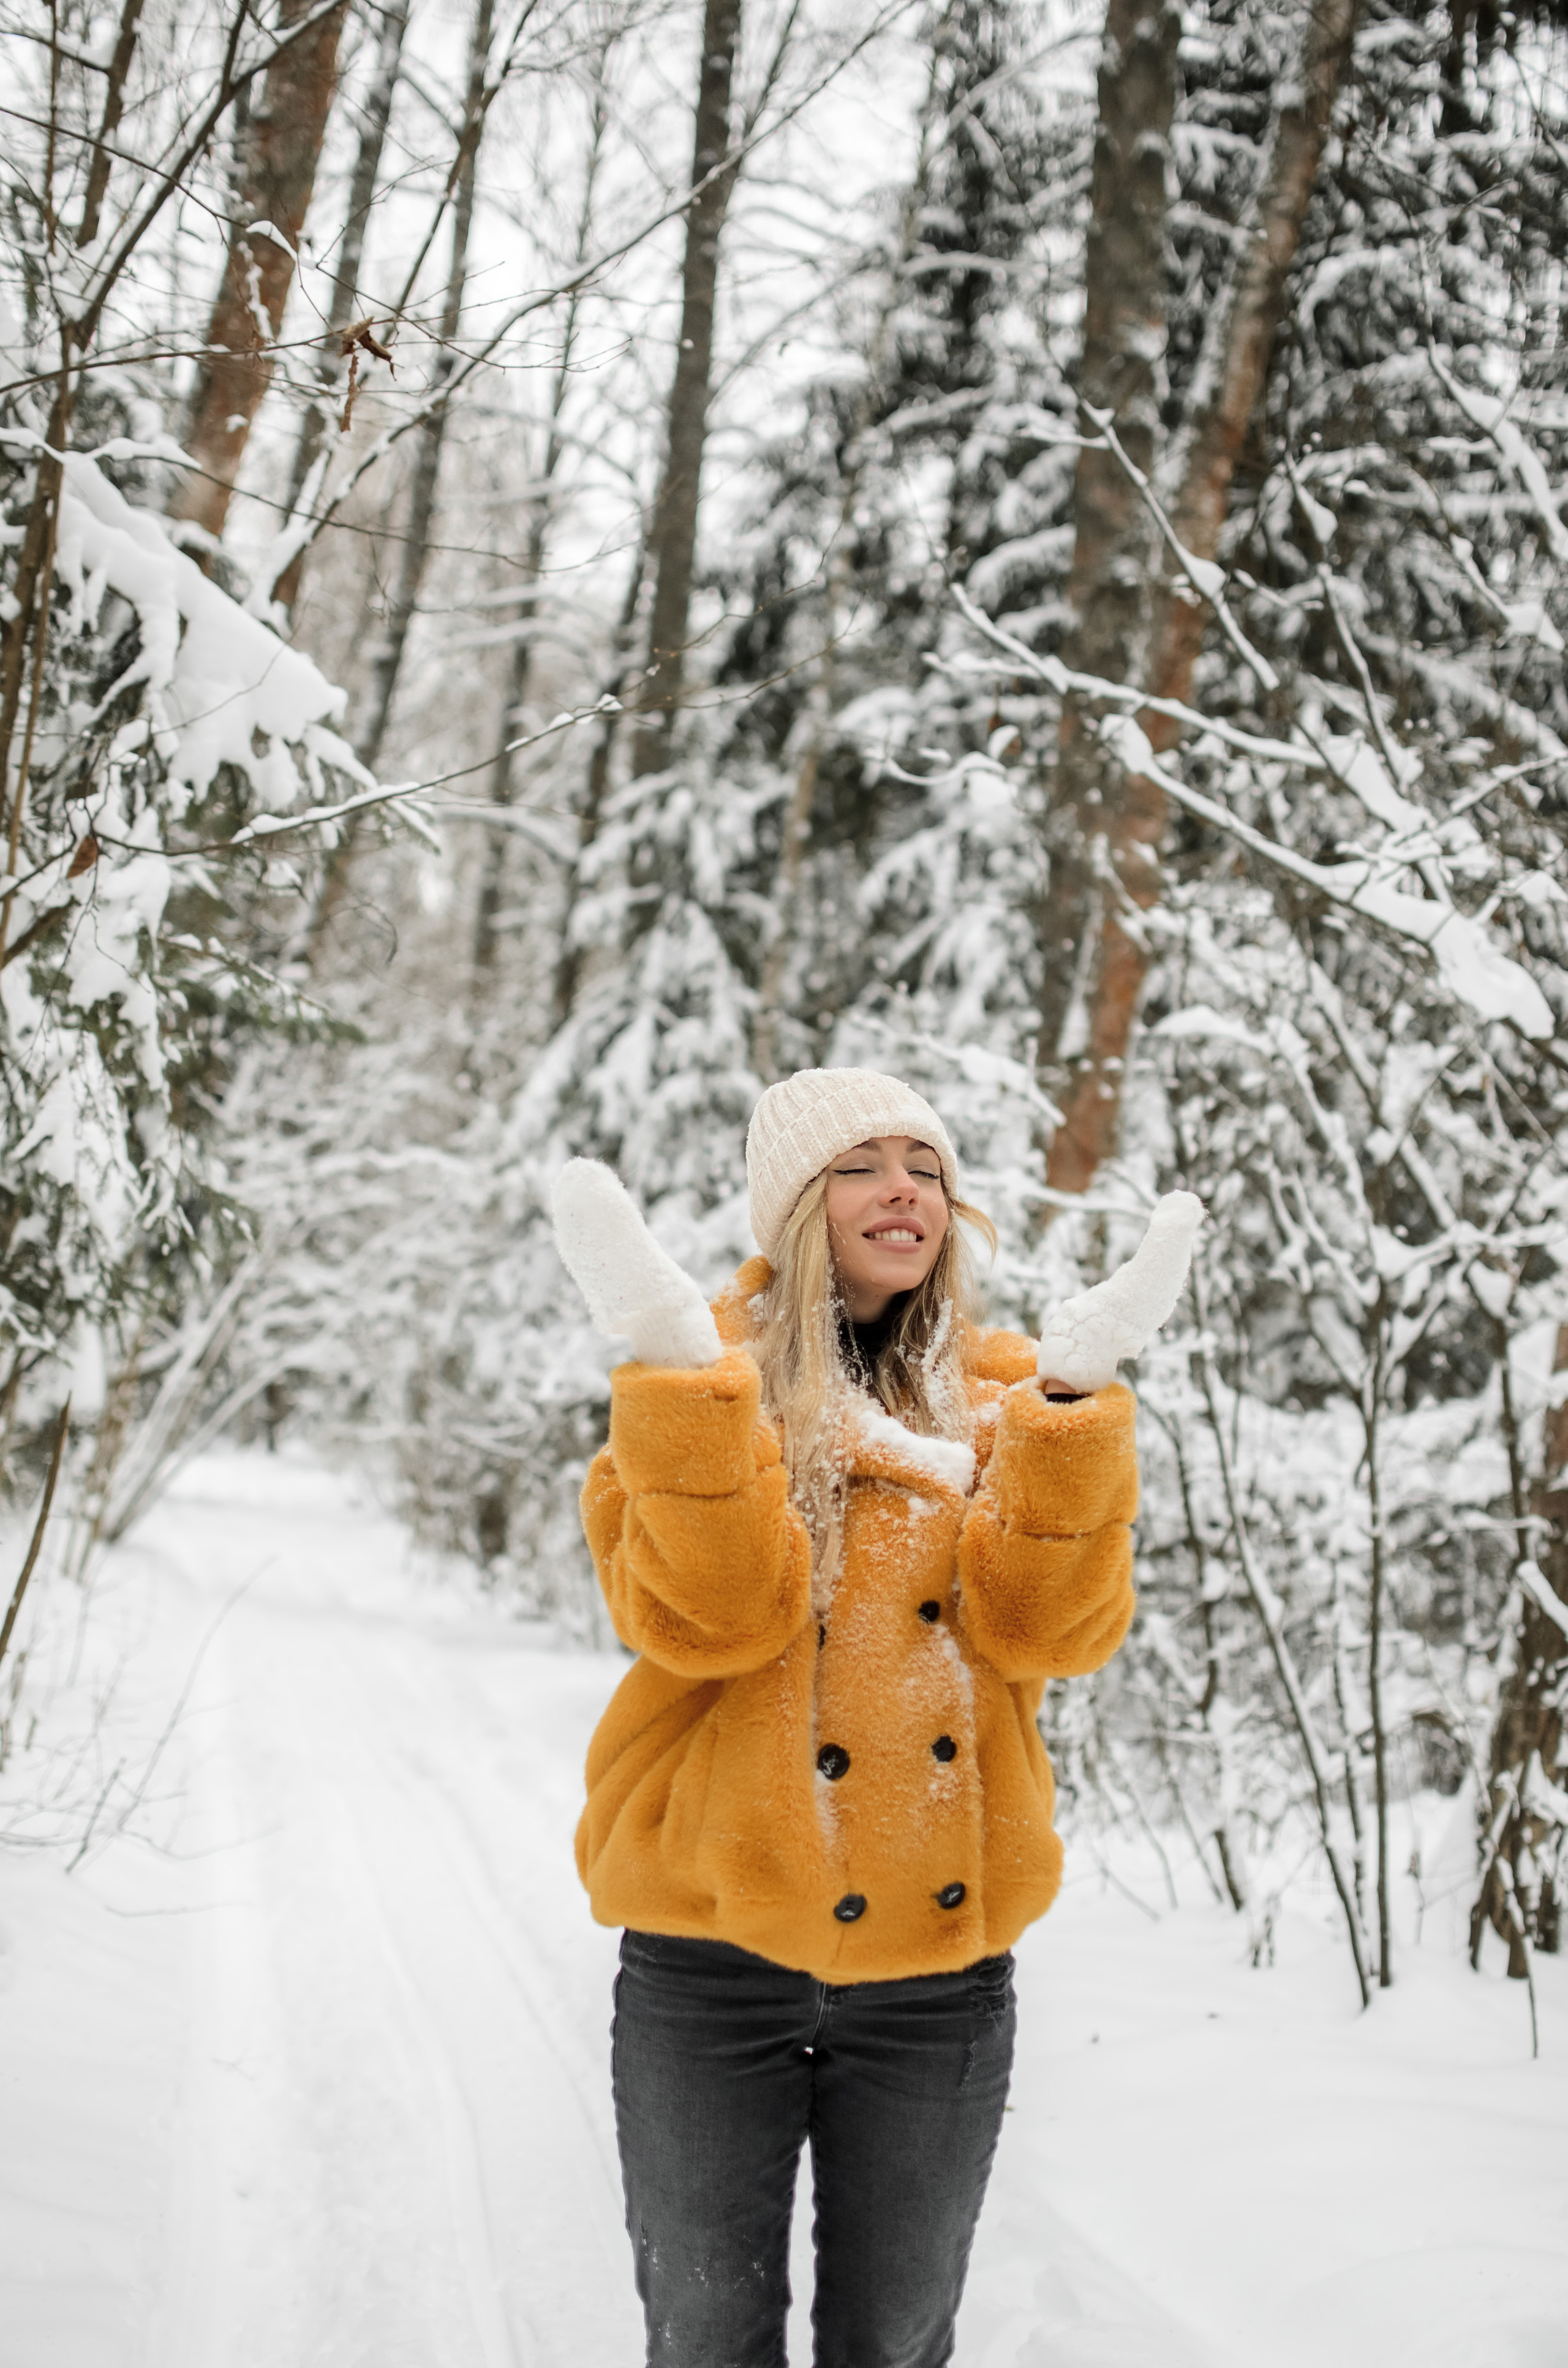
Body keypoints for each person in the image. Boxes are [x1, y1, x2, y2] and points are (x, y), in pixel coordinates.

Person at [551, 1067, 1200, 2368]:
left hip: (932, 1977)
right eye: (859, 1164)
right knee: (705, 2337)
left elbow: (1051, 1636)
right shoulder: (693, 1387)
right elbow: (711, 1620)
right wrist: (683, 1371)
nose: (904, 1189)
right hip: (710, 1957)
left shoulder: (1011, 1399)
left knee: (897, 2341)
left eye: (926, 1166)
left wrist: (1073, 1404)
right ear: (797, 1206)